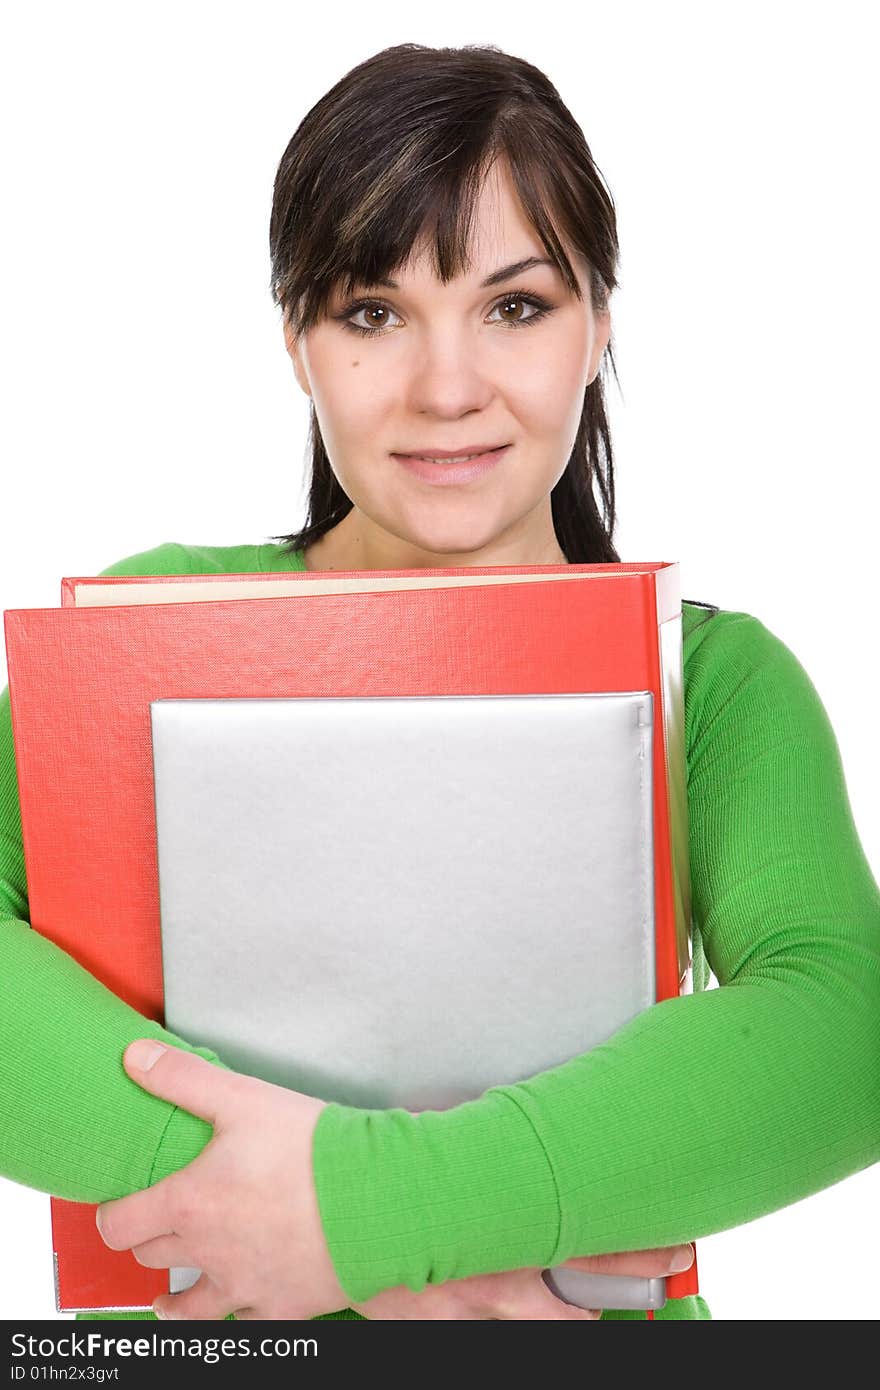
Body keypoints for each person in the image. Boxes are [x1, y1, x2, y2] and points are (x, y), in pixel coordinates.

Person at [2, 42, 878, 1323]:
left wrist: (379, 1216)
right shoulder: (157, 626)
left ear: (598, 326)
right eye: (371, 311)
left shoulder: (716, 680)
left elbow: (845, 1033)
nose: (447, 386)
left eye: (515, 306)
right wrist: (340, 1225)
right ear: (297, 342)